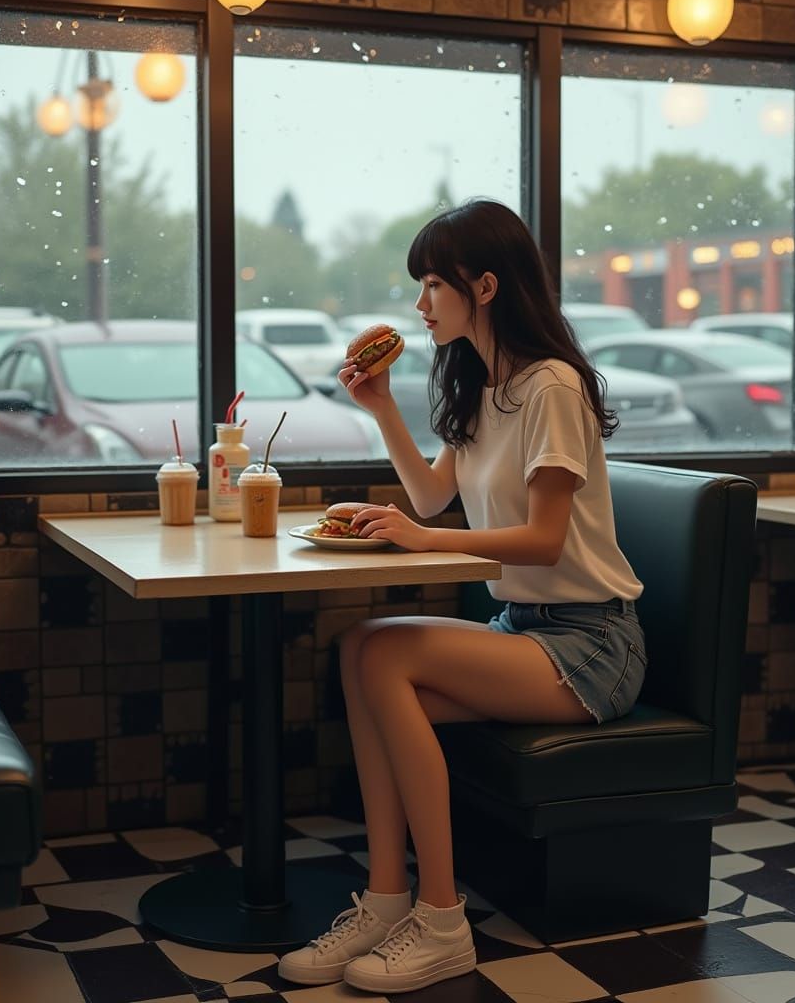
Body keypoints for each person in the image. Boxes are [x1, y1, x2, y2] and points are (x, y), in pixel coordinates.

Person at [277, 199, 648, 994]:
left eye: (433, 285)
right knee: (360, 649)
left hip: (592, 644)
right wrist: (382, 409)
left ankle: (442, 920)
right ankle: (386, 900)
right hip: (524, 630)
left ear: (484, 286)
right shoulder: (485, 386)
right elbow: (431, 497)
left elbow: (544, 540)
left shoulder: (551, 387)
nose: (420, 304)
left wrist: (421, 540)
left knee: (386, 652)